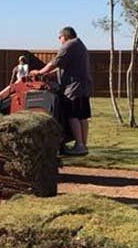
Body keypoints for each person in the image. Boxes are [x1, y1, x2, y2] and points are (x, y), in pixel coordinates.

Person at [29, 26, 93, 155]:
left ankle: (79, 145)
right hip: (83, 86)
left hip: (74, 87)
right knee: (82, 116)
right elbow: (62, 68)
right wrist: (47, 75)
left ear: (66, 36)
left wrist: (40, 72)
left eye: (60, 37)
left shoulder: (69, 45)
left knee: (72, 115)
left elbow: (55, 62)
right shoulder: (80, 45)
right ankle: (82, 145)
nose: (59, 40)